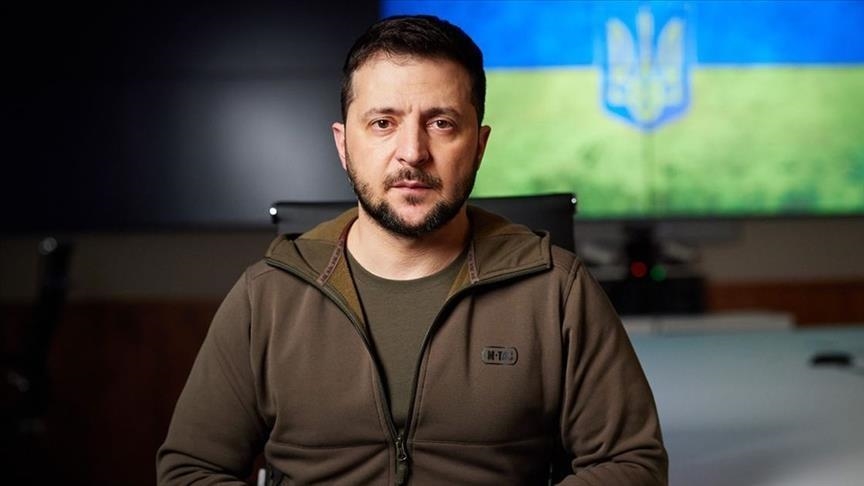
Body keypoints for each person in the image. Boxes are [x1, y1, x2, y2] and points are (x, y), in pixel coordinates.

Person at [157, 14, 667, 485]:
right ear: (343, 144)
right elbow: (191, 470)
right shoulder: (266, 294)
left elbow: (631, 464)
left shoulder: (558, 289)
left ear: (479, 146)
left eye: (441, 123)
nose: (412, 152)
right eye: (383, 123)